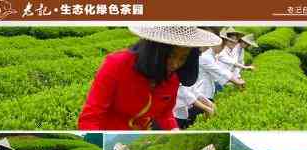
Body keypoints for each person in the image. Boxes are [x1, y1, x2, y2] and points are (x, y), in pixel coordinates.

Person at [78, 26, 222, 131]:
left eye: (182, 58)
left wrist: (174, 130)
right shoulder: (117, 64)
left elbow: (165, 114)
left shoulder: (173, 76)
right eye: (170, 55)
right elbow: (91, 117)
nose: (175, 64)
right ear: (155, 49)